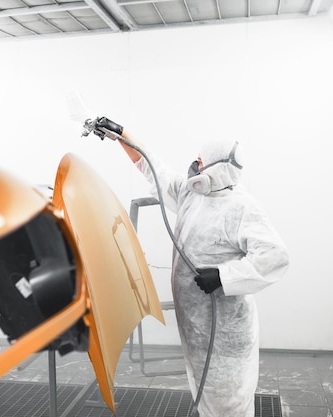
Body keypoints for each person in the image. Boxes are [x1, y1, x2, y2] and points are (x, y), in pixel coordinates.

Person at [92, 117, 290, 417]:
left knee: (228, 402)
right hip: (196, 326)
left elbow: (275, 256)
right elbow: (152, 167)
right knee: (206, 393)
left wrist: (224, 276)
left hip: (224, 331)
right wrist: (122, 135)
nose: (194, 167)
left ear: (216, 167)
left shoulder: (241, 207)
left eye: (200, 162)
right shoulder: (191, 194)